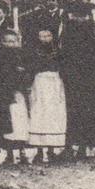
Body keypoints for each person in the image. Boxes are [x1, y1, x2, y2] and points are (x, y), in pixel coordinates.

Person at [60, 1, 95, 160]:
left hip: (85, 77)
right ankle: (75, 146)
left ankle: (81, 146)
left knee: (83, 111)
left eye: (83, 15)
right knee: (77, 111)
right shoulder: (73, 30)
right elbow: (64, 55)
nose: (81, 18)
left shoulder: (89, 29)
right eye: (79, 15)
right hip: (78, 77)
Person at [0, 27, 33, 166]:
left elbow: (28, 73)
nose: (10, 44)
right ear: (2, 42)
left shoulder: (22, 55)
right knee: (8, 125)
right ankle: (9, 154)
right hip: (5, 94)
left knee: (21, 123)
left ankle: (22, 152)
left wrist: (22, 78)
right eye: (7, 41)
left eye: (13, 41)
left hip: (19, 94)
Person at [26, 25, 68, 164]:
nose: (45, 39)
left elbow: (63, 67)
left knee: (53, 114)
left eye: (48, 36)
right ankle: (39, 151)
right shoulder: (33, 52)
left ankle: (51, 150)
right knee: (39, 113)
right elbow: (30, 68)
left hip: (55, 83)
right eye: (42, 36)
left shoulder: (59, 51)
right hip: (39, 83)